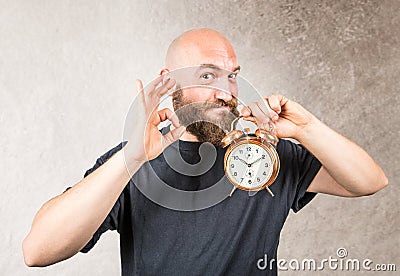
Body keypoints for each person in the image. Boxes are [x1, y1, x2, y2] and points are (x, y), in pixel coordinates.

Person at [22, 28, 388, 275]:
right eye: (208, 76)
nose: (226, 91)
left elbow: (370, 181)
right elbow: (38, 252)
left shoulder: (268, 156)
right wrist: (131, 159)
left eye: (232, 75)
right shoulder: (133, 163)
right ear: (169, 80)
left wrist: (306, 130)